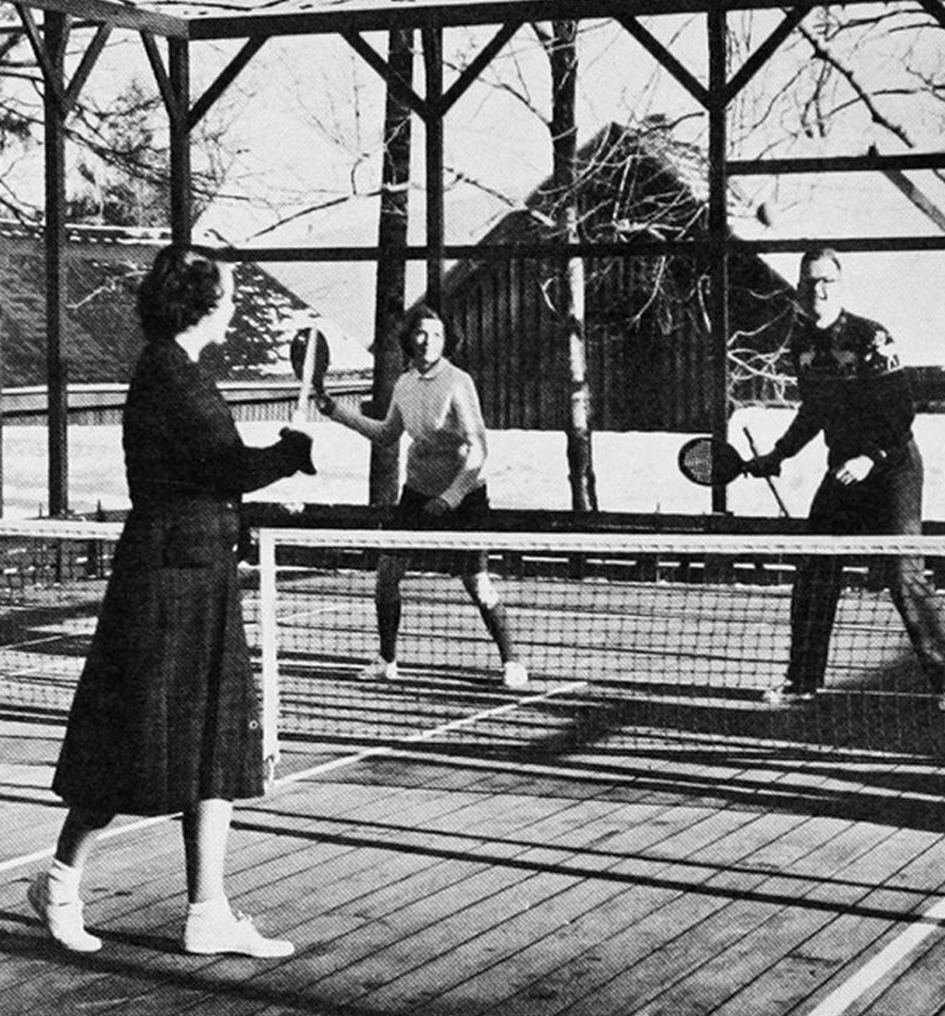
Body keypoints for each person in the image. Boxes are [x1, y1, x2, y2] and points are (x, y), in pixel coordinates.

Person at [28, 245, 317, 957]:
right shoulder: (169, 376)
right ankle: (59, 884)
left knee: (213, 744)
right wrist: (290, 451)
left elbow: (208, 479)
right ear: (202, 303)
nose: (235, 301)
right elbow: (224, 468)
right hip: (162, 582)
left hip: (198, 573)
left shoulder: (182, 372)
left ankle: (207, 911)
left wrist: (251, 491)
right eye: (227, 290)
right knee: (134, 741)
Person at [746, 247, 945, 706]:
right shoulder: (803, 347)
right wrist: (779, 453)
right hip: (843, 472)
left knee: (901, 571)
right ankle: (803, 682)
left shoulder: (872, 337)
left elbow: (901, 413)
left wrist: (871, 457)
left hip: (893, 465)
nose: (819, 289)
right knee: (816, 569)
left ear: (839, 285)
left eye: (827, 281)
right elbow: (814, 411)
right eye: (811, 281)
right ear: (801, 287)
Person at [317, 304, 528, 690]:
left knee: (477, 583)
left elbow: (478, 448)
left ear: (446, 341)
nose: (429, 341)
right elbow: (386, 435)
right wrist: (335, 411)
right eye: (422, 333)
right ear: (409, 338)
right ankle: (387, 660)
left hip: (464, 496)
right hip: (416, 494)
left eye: (437, 335)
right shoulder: (404, 383)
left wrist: (451, 497)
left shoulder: (459, 382)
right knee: (386, 578)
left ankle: (512, 660)